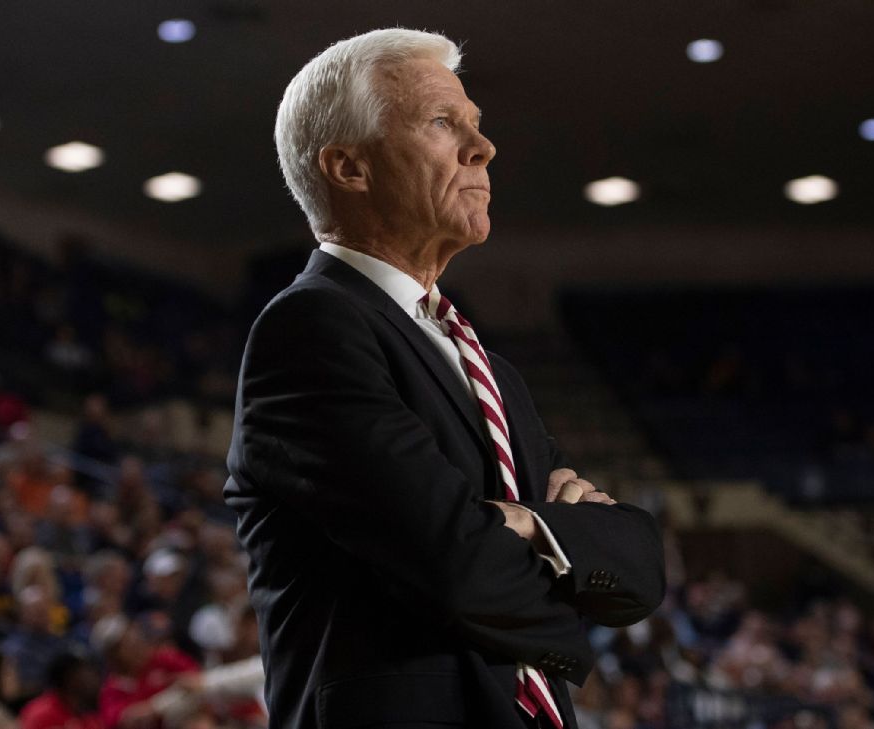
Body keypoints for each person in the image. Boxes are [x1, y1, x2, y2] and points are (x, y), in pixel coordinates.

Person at [224, 27, 665, 729]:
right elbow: (460, 570)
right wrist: (568, 543)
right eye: (440, 122)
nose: (482, 148)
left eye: (476, 127)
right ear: (348, 167)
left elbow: (640, 568)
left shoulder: (491, 368)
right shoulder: (310, 331)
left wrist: (530, 529)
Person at [16, 652, 101, 729]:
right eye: (85, 671)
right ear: (70, 678)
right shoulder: (40, 713)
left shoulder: (89, 715)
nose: (93, 677)